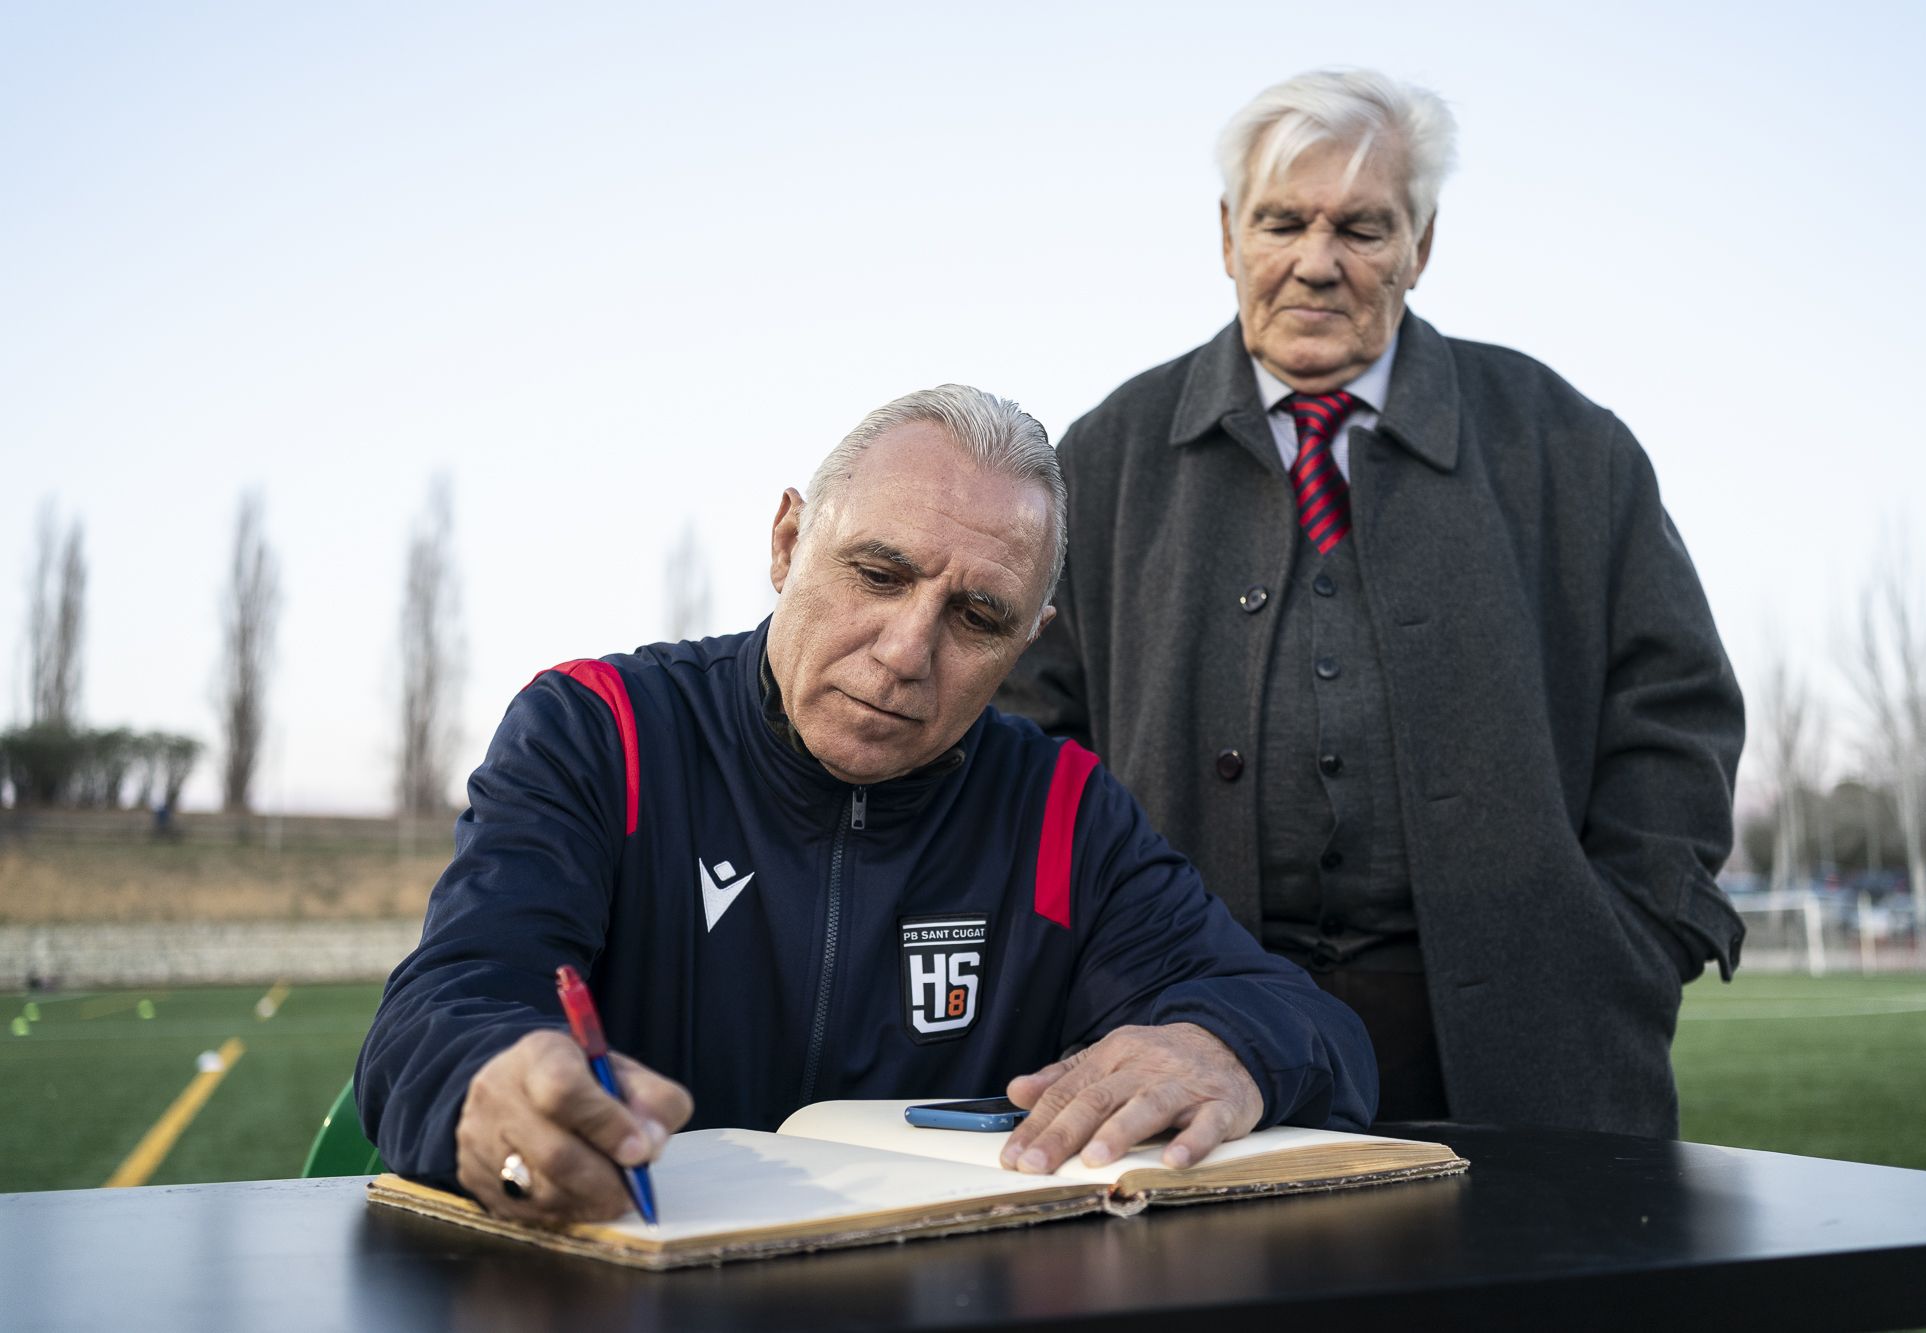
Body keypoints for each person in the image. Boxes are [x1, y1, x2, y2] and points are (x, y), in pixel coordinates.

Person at [357, 384, 1377, 1225]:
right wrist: (488, 1082)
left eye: (977, 617)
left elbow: (1308, 1023)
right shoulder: (601, 730)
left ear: (1029, 640)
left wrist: (1227, 1047)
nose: (903, 652)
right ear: (788, 539)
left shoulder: (1062, 809)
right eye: (876, 574)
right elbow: (443, 1005)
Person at [998, 70, 1744, 1137]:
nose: (1315, 261)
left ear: (1420, 244)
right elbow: (1026, 739)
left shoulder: (1566, 445)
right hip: (1182, 1044)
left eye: (1360, 227)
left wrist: (1622, 942)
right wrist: (1086, 963)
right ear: (1225, 236)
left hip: (1531, 1062)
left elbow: (1675, 713)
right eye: (1280, 222)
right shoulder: (1105, 455)